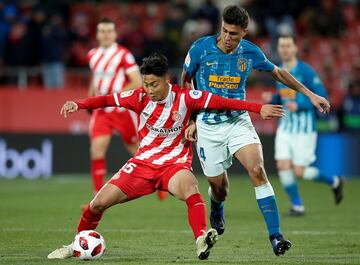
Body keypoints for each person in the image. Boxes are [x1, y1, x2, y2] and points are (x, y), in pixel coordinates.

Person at [47, 53, 284, 260]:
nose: (149, 90)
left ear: (166, 80)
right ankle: (76, 244)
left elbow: (226, 101)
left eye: (154, 85)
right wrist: (77, 104)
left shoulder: (187, 98)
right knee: (96, 204)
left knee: (191, 188)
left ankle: (201, 238)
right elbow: (107, 99)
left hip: (174, 166)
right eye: (146, 84)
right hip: (141, 165)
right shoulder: (138, 97)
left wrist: (257, 108)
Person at [181, 5, 330, 255]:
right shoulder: (200, 48)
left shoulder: (250, 53)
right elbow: (185, 80)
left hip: (238, 121)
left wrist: (310, 94)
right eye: (226, 31)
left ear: (245, 33)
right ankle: (217, 208)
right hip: (208, 125)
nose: (228, 38)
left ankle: (276, 236)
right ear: (221, 26)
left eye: (235, 34)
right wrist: (191, 119)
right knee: (220, 188)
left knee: (258, 170)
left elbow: (279, 73)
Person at [261, 35, 344, 216]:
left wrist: (301, 105)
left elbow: (321, 96)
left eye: (288, 45)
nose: (284, 49)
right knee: (283, 165)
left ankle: (334, 181)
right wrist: (272, 99)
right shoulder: (279, 72)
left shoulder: (306, 71)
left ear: (295, 48)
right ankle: (297, 205)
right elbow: (281, 97)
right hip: (285, 128)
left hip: (304, 129)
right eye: (282, 45)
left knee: (299, 171)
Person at [87, 18, 141, 194]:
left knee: (137, 150)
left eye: (109, 31)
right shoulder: (92, 55)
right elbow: (96, 79)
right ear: (97, 34)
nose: (106, 34)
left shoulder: (123, 54)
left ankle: (158, 179)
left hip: (122, 110)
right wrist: (90, 96)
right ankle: (97, 194)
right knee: (96, 150)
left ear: (115, 34)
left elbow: (137, 81)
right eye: (102, 31)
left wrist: (115, 97)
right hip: (102, 112)